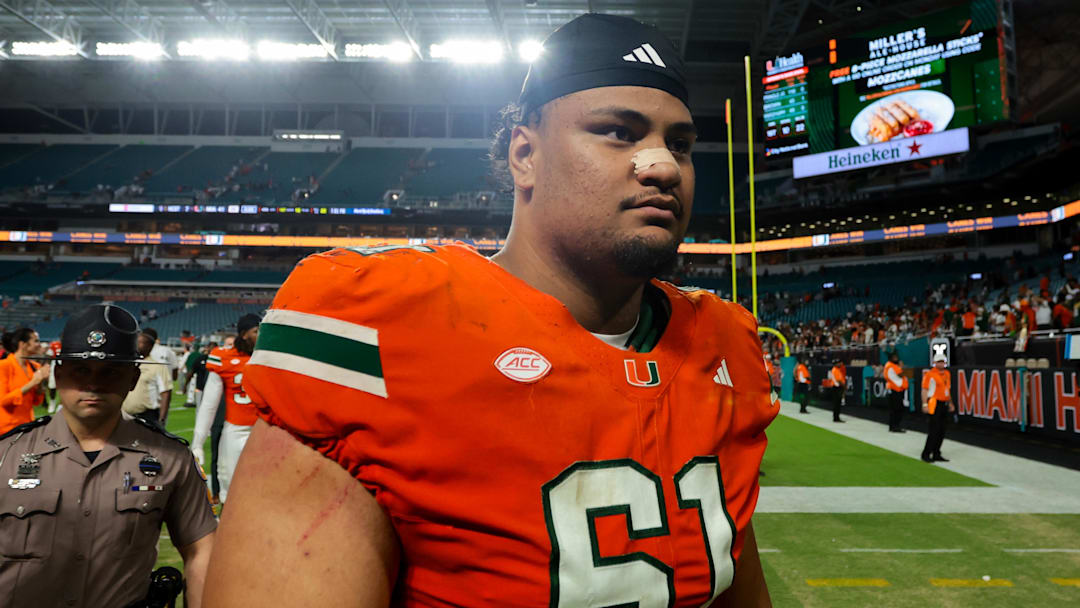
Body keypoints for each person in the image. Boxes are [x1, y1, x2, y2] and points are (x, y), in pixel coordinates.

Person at [205, 14, 775, 607]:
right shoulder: (387, 319)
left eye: (679, 145)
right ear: (524, 155)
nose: (660, 166)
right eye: (617, 132)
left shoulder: (722, 342)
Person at [0, 304, 216, 607]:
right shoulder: (6, 454)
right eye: (81, 370)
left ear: (132, 378)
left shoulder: (171, 459)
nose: (93, 383)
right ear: (59, 374)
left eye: (111, 371)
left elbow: (202, 548)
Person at [192, 315, 260, 505]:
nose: (261, 335)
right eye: (256, 331)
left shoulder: (268, 356)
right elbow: (209, 404)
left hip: (263, 432)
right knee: (231, 492)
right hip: (236, 430)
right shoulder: (224, 357)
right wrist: (198, 442)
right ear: (244, 334)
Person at [0, 328, 49, 434]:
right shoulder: (3, 366)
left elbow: (36, 401)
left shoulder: (35, 366)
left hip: (26, 426)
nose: (39, 345)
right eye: (35, 341)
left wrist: (41, 382)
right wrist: (33, 383)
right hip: (6, 429)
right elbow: (3, 401)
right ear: (23, 344)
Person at [121, 331, 173, 427]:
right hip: (125, 416)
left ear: (150, 346)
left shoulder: (157, 367)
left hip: (147, 416)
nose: (136, 345)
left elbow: (166, 393)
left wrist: (162, 419)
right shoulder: (127, 364)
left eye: (140, 342)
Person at [921, 352, 954, 463]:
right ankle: (926, 453)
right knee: (933, 430)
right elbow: (924, 390)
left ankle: (936, 453)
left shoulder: (947, 374)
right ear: (935, 363)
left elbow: (947, 389)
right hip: (934, 403)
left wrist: (950, 403)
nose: (941, 364)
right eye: (939, 362)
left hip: (944, 403)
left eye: (942, 361)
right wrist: (924, 404)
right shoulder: (930, 374)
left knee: (942, 430)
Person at [884, 351, 908, 432]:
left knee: (894, 409)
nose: (896, 358)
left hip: (895, 389)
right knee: (897, 409)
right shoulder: (892, 366)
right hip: (895, 390)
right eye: (894, 357)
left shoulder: (890, 365)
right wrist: (901, 366)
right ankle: (895, 426)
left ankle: (893, 426)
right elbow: (901, 374)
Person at [828, 358, 846, 422]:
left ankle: (836, 417)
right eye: (838, 363)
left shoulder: (836, 369)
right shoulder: (835, 370)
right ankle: (836, 418)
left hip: (836, 387)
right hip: (836, 388)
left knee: (837, 403)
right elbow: (838, 380)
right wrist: (843, 385)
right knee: (837, 404)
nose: (839, 364)